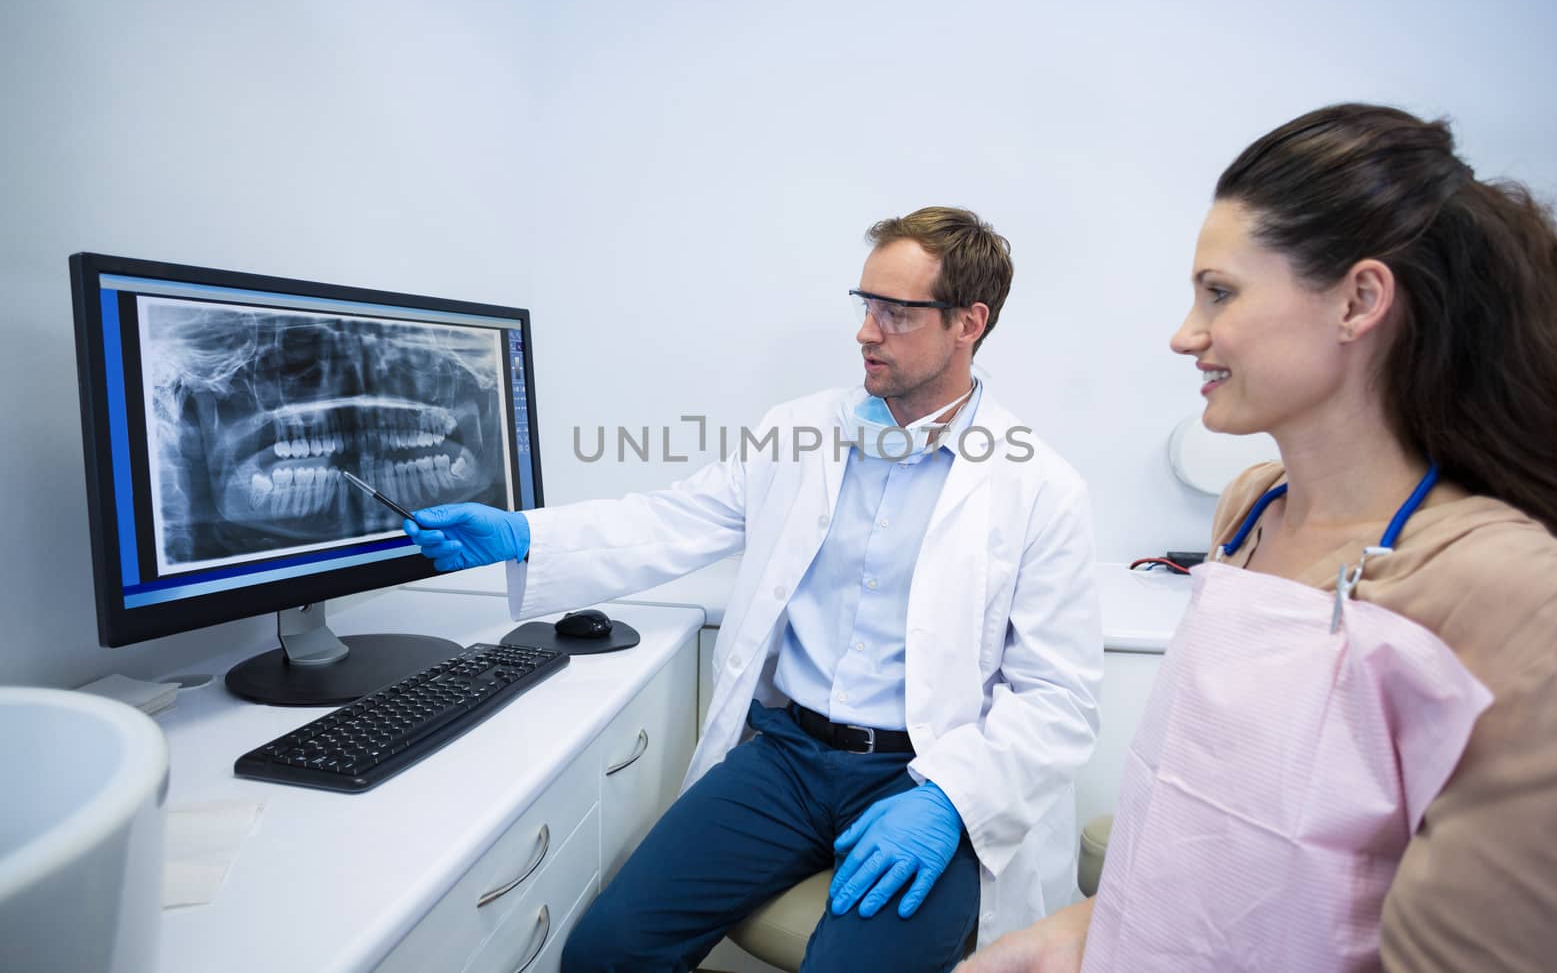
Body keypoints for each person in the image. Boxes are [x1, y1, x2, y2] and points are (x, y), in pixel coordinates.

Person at [960, 104, 1557, 972]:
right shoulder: (1254, 509)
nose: (1186, 333)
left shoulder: (1505, 584)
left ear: (1359, 300)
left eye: (1219, 291)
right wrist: (1076, 934)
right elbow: (1200, 854)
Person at [404, 206, 1103, 972]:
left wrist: (946, 799)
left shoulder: (1039, 486)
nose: (867, 332)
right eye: (865, 305)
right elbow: (673, 519)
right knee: (606, 951)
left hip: (927, 777)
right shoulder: (799, 434)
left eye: (896, 313)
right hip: (788, 759)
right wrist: (527, 534)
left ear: (969, 322)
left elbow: (1057, 698)